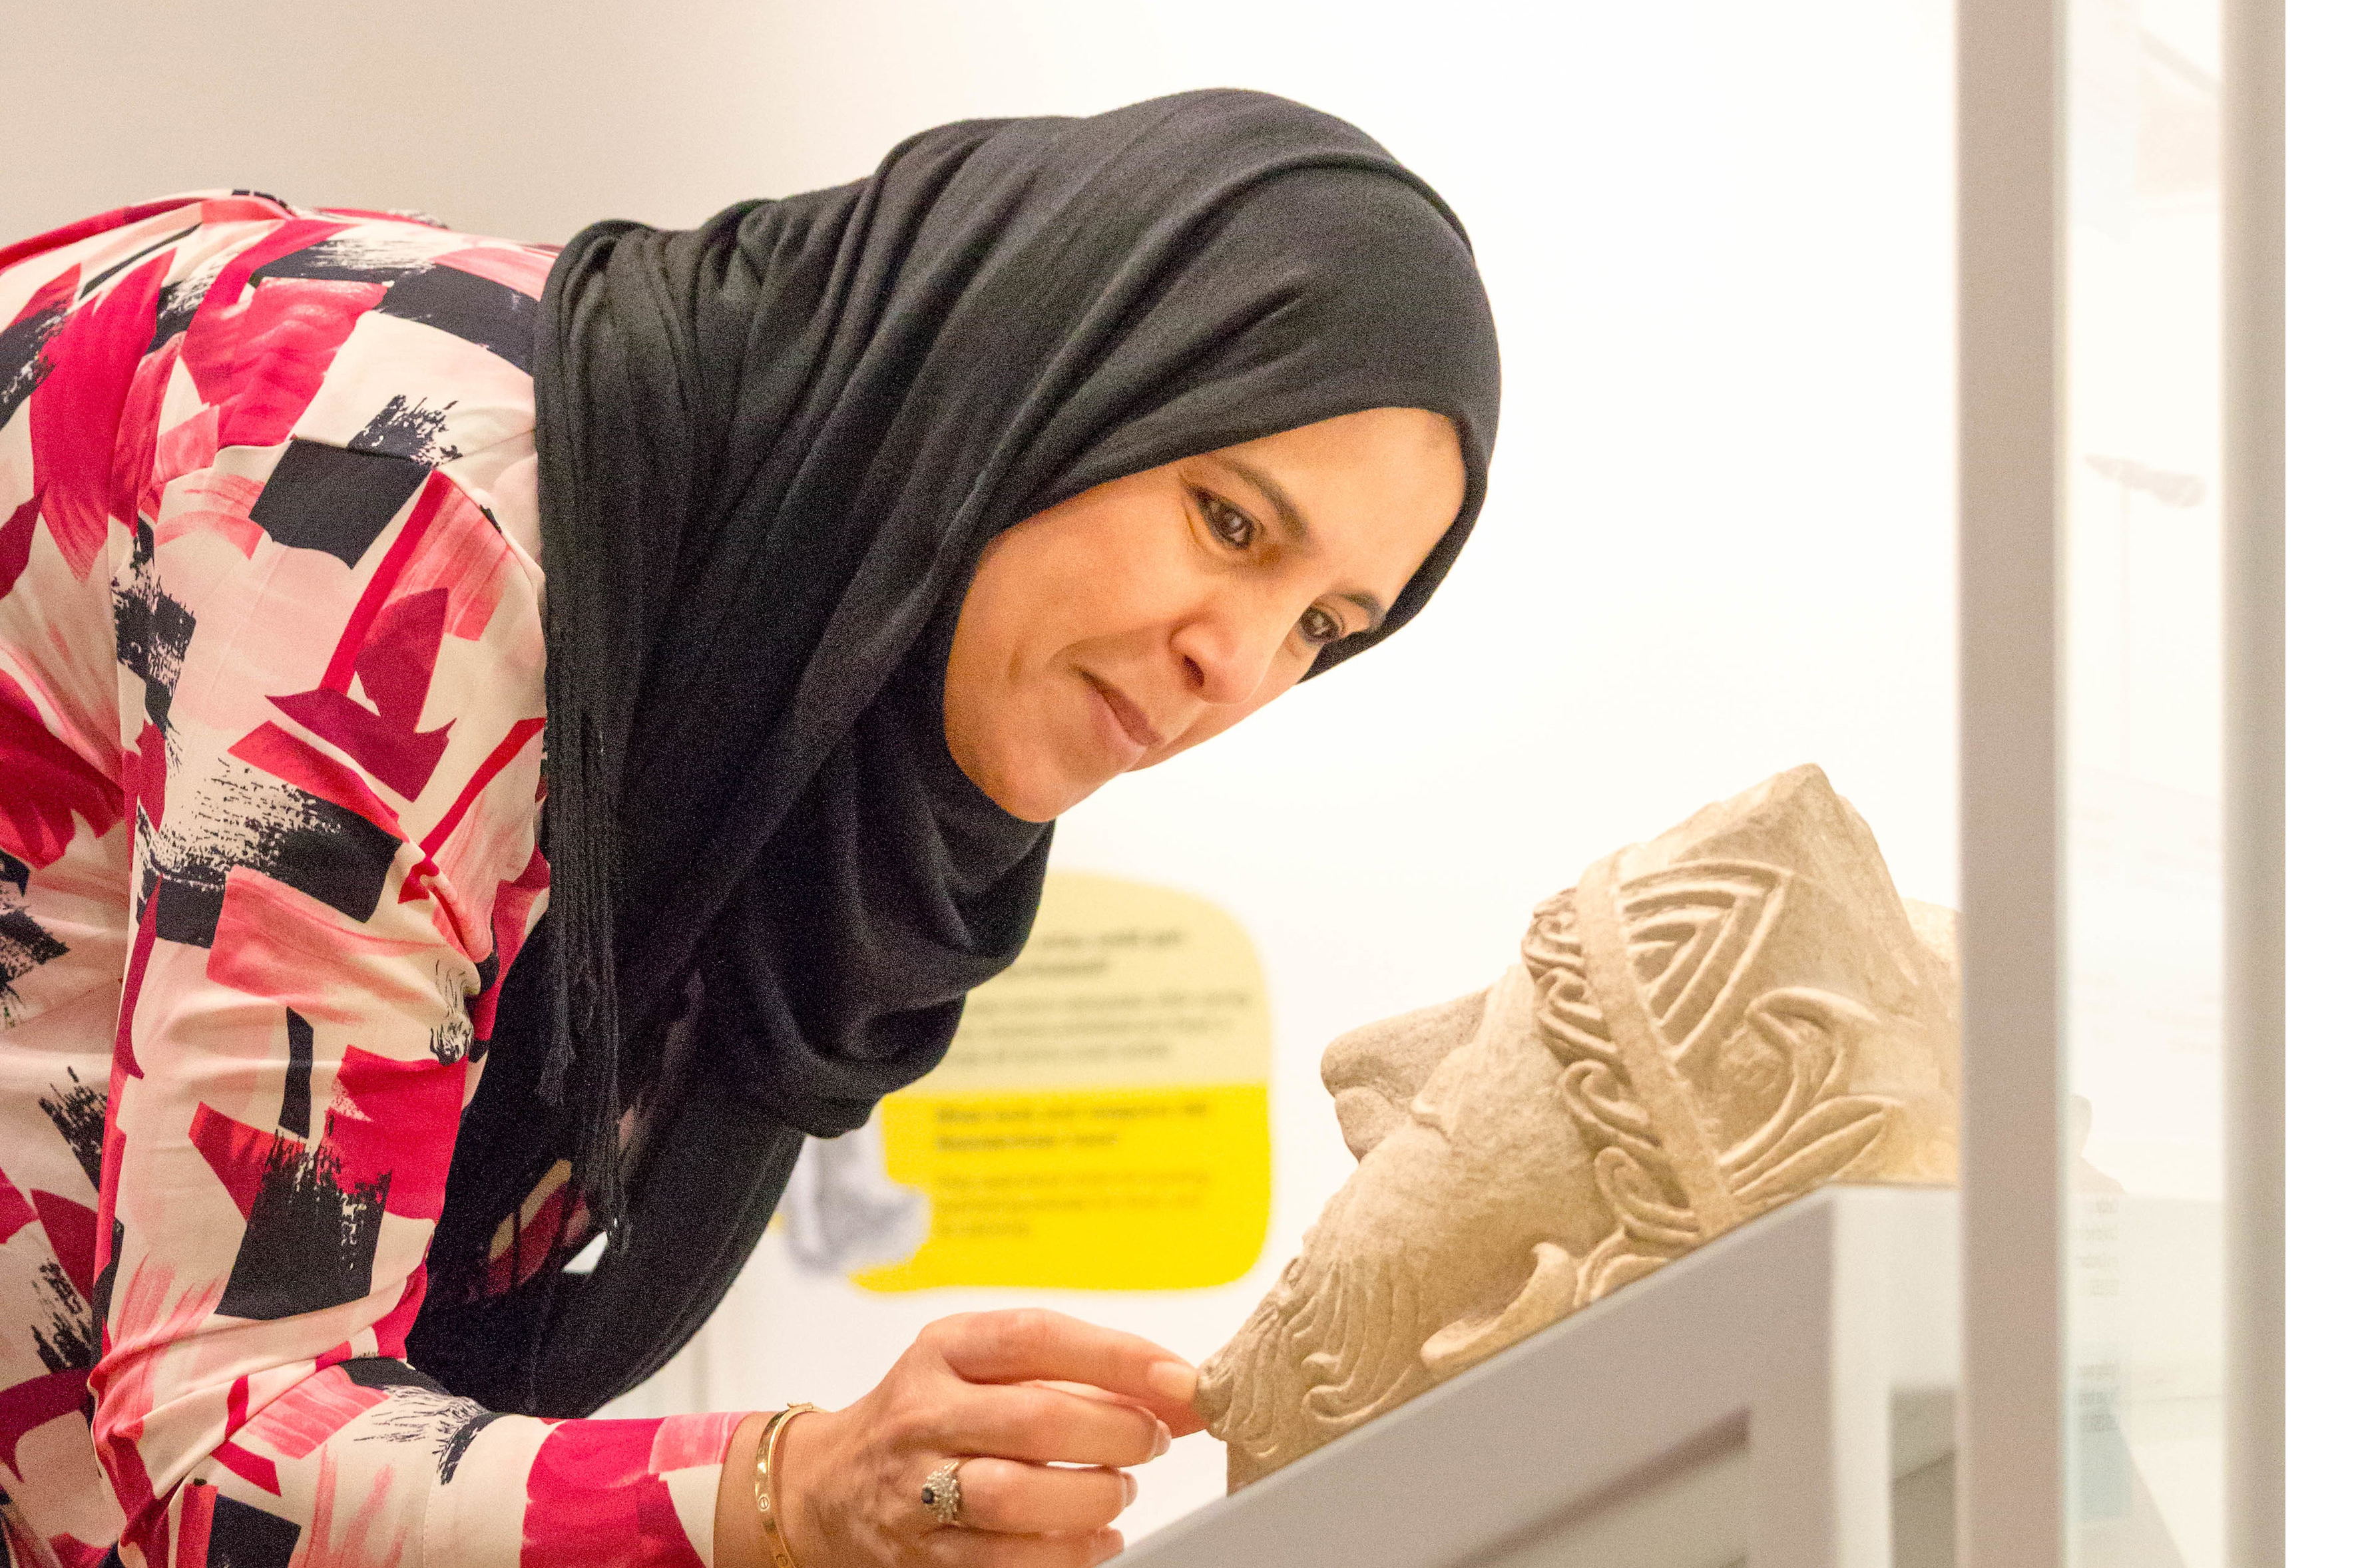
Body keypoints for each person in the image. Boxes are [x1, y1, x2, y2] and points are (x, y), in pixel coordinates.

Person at [0, 88, 1498, 1568]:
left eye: (1320, 624)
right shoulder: (417, 502)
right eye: (1229, 520)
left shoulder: (775, 721)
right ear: (1044, 381)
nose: (1232, 667)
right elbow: (212, 1453)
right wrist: (791, 1487)